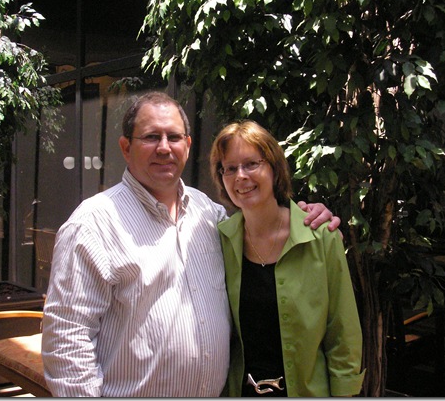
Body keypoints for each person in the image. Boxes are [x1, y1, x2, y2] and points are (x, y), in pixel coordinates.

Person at [41, 92, 341, 397]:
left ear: (187, 145)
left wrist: (307, 219)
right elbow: (67, 341)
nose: (163, 147)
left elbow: (264, 230)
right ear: (126, 148)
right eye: (150, 137)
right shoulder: (92, 226)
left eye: (173, 137)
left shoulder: (211, 216)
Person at [209, 120, 365, 397]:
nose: (240, 176)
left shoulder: (319, 237)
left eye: (251, 164)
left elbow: (342, 331)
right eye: (229, 168)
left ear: (274, 167)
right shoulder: (220, 240)